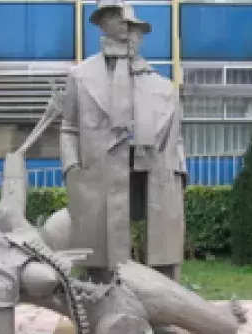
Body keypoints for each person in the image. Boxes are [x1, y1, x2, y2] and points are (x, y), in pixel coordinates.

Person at [60, 0, 187, 284]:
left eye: (134, 27)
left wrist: (180, 174)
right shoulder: (80, 77)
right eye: (119, 22)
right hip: (97, 173)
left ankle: (163, 307)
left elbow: (175, 137)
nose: (127, 32)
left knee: (161, 244)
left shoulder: (163, 87)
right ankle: (99, 300)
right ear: (102, 23)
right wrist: (71, 168)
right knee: (97, 245)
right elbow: (68, 128)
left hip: (152, 172)